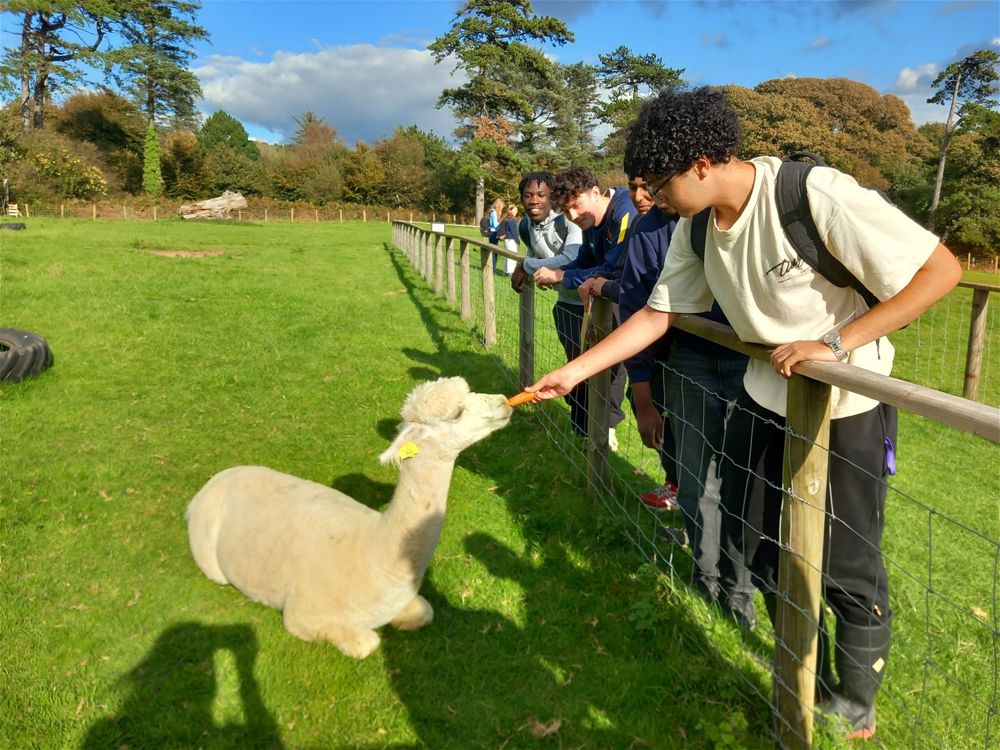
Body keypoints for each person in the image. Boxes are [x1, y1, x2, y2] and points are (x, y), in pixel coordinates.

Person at [526, 88, 962, 741]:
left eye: (660, 183)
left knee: (846, 560)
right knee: (750, 542)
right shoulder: (694, 228)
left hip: (848, 403)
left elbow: (939, 270)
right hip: (764, 396)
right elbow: (657, 313)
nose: (651, 198)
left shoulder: (813, 194)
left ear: (702, 162)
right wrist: (576, 371)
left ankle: (856, 697)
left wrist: (835, 343)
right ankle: (802, 667)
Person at [534, 167, 633, 447]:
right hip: (608, 300)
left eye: (577, 206)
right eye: (566, 213)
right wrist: (561, 270)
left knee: (617, 367)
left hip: (633, 302)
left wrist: (562, 276)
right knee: (591, 360)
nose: (574, 217)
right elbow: (586, 260)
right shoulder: (590, 224)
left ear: (595, 192)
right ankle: (591, 427)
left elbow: (613, 268)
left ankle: (607, 430)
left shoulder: (624, 213)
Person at [510, 172, 587, 436]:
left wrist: (525, 265)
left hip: (596, 304)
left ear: (552, 197)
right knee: (573, 365)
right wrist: (528, 260)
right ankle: (581, 429)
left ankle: (605, 430)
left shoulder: (569, 219)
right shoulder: (524, 226)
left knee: (603, 371)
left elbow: (570, 259)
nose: (534, 201)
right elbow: (533, 250)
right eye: (528, 195)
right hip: (566, 304)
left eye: (541, 195)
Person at [497, 205, 520, 275]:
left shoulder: (507, 219)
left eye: (516, 210)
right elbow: (514, 232)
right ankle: (510, 272)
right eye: (514, 210)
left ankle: (505, 270)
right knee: (512, 256)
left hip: (507, 240)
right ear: (510, 211)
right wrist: (517, 241)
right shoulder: (511, 220)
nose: (516, 212)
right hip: (511, 240)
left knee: (507, 255)